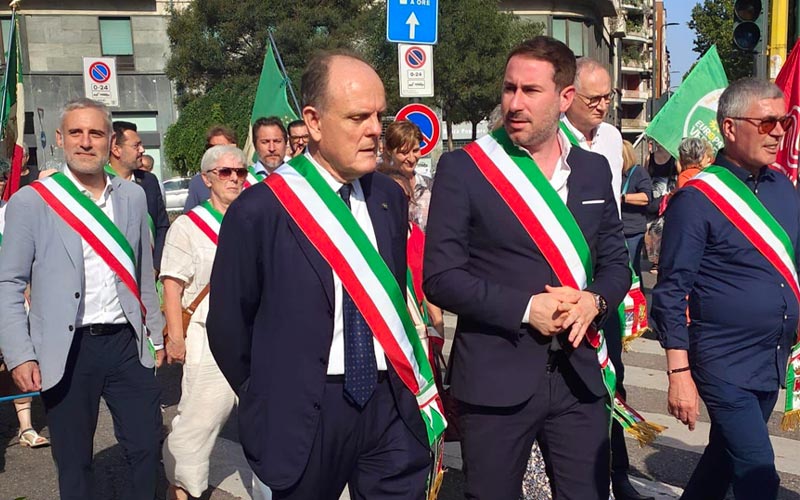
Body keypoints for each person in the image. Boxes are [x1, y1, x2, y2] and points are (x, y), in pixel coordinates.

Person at [207, 50, 436, 500]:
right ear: (312, 121)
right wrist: (265, 395)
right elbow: (229, 326)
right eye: (357, 117)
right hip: (304, 411)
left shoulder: (388, 200)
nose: (375, 129)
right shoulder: (259, 210)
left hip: (388, 402)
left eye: (379, 115)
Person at [424, 36, 630, 500]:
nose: (514, 103)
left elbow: (617, 262)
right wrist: (524, 308)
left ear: (565, 98)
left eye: (530, 91)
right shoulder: (466, 169)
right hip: (497, 376)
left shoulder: (595, 170)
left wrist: (595, 300)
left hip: (579, 375)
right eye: (509, 88)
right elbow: (440, 276)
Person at [0, 98, 164, 500]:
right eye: (76, 132)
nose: (85, 142)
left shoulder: (132, 196)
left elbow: (142, 271)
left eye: (95, 133)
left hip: (126, 343)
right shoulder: (31, 201)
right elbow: (8, 283)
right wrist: (20, 354)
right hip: (67, 349)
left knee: (146, 447)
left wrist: (155, 335)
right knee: (74, 462)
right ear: (60, 139)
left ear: (110, 141)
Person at [652, 78, 797, 500]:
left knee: (719, 466)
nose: (779, 132)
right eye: (767, 122)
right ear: (730, 129)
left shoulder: (784, 188)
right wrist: (679, 373)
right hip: (722, 361)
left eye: (784, 122)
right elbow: (671, 290)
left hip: (770, 359)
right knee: (758, 476)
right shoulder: (697, 199)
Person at [161, 145, 246, 500]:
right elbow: (172, 284)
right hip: (206, 335)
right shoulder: (188, 226)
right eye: (225, 172)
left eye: (240, 172)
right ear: (207, 178)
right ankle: (184, 487)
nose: (234, 179)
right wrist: (175, 338)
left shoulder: (250, 218)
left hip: (252, 334)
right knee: (200, 416)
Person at [0, 164, 50, 450]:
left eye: (2, 178)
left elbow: (26, 257)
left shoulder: (13, 210)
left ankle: (26, 426)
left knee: (18, 356)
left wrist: (30, 289)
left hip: (11, 297)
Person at [561, 57, 623, 215]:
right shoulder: (552, 136)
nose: (602, 107)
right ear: (569, 95)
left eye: (607, 97)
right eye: (594, 99)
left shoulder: (612, 136)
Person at [108, 121, 170, 271]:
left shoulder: (149, 181)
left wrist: (156, 266)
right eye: (136, 146)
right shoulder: (101, 182)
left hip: (150, 272)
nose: (142, 150)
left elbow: (162, 226)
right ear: (116, 150)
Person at [380, 120, 434, 231]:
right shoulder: (379, 187)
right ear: (390, 151)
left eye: (415, 150)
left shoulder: (429, 186)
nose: (411, 158)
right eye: (404, 152)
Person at [183, 125, 238, 212]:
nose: (215, 152)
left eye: (221, 148)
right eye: (211, 148)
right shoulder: (198, 182)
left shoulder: (244, 179)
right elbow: (189, 220)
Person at [621, 140, 653, 284]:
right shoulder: (614, 173)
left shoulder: (638, 172)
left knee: (633, 268)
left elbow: (646, 197)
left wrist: (623, 198)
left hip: (632, 229)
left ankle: (638, 302)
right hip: (616, 229)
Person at [645, 141, 676, 274]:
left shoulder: (674, 158)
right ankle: (654, 259)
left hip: (666, 198)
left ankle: (658, 262)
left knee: (661, 229)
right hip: (653, 197)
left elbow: (678, 176)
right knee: (651, 229)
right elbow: (646, 176)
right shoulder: (649, 158)